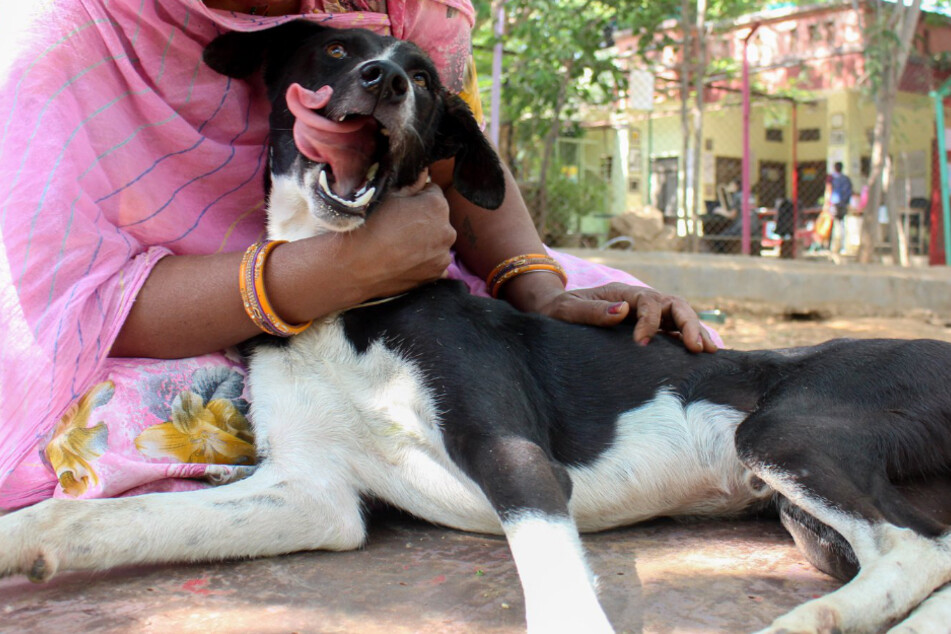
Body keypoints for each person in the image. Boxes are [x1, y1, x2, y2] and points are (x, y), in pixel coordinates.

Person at [0, 0, 719, 511]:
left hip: (410, 283)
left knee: (635, 341)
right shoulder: (69, 34)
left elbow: (453, 158)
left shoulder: (402, 8)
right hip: (184, 327)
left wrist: (536, 291)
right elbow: (76, 308)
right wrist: (330, 274)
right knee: (142, 427)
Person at [829, 161, 853, 254]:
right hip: (842, 204)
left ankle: (833, 246)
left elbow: (829, 190)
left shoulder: (832, 179)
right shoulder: (845, 179)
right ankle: (842, 247)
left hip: (835, 204)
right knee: (842, 226)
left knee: (834, 225)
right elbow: (849, 191)